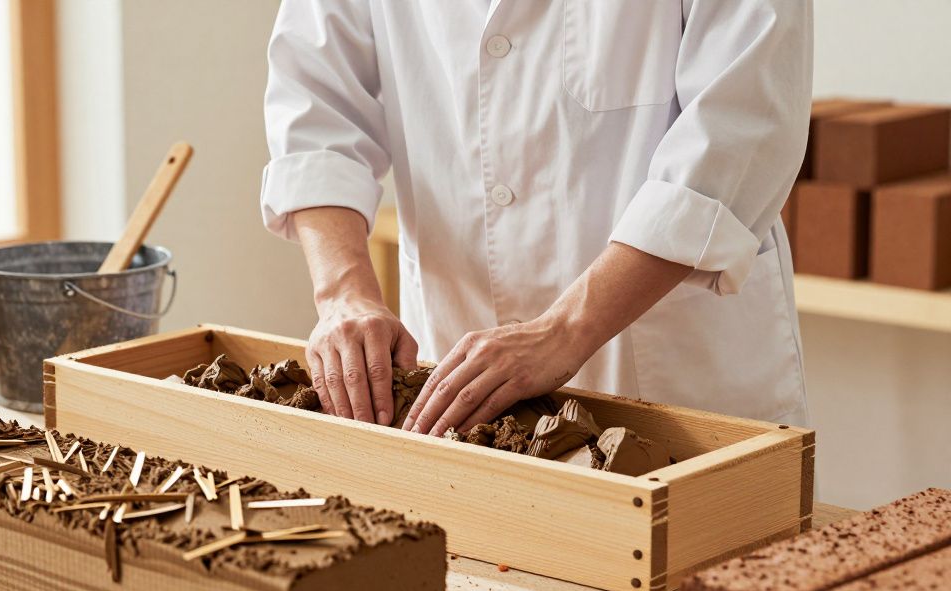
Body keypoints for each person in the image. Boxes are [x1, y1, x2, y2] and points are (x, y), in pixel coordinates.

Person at [260, 1, 812, 435]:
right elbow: (316, 106)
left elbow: (742, 127)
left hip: (671, 365)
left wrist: (568, 328)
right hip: (454, 347)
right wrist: (343, 293)